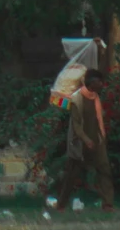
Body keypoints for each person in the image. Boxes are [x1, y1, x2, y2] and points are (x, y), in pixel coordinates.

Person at [49, 68, 114, 214]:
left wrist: (100, 138)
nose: (102, 84)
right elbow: (76, 125)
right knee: (71, 175)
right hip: (79, 143)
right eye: (99, 81)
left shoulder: (96, 98)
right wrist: (86, 140)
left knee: (104, 170)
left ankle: (108, 204)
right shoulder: (77, 98)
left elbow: (98, 120)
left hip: (96, 141)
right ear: (91, 82)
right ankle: (61, 205)